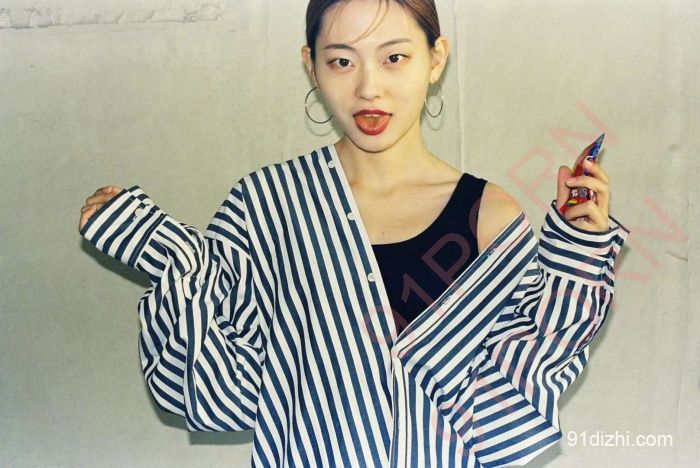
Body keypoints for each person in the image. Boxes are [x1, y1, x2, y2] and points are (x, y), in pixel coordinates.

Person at [78, 0, 630, 466]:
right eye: (342, 61)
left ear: (436, 59)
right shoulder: (267, 206)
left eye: (395, 58)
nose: (369, 88)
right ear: (311, 67)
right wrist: (163, 246)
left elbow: (515, 393)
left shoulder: (490, 215)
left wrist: (577, 249)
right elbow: (224, 389)